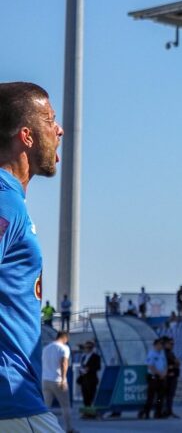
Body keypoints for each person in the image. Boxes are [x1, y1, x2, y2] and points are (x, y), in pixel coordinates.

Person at [0, 82, 66, 433]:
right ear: (26, 136)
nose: (60, 130)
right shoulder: (4, 200)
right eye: (50, 120)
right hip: (11, 404)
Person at [41, 332, 77, 433]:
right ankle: (69, 429)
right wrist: (63, 379)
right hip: (57, 380)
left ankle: (43, 428)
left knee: (45, 407)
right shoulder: (63, 348)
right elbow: (64, 363)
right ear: (65, 338)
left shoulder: (46, 348)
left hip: (45, 380)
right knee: (65, 406)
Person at [140, 338, 167, 419]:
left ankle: (158, 412)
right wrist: (159, 373)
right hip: (153, 377)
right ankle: (146, 412)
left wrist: (164, 373)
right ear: (156, 345)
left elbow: (165, 365)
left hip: (161, 377)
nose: (161, 346)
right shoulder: (151, 354)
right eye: (160, 344)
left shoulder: (162, 354)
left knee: (160, 396)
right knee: (151, 396)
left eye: (162, 344)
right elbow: (151, 366)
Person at [76, 340, 101, 408]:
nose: (87, 349)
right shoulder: (84, 357)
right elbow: (81, 366)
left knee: (91, 396)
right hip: (84, 379)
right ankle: (86, 412)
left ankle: (90, 412)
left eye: (88, 347)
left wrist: (89, 369)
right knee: (85, 397)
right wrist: (81, 370)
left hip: (91, 379)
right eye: (86, 347)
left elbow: (98, 367)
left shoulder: (96, 356)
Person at [163, 337, 181, 418]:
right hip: (168, 377)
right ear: (166, 344)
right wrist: (173, 365)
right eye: (171, 344)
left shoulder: (171, 353)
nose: (172, 345)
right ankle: (164, 410)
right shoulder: (164, 354)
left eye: (173, 344)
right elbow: (168, 365)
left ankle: (169, 410)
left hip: (173, 376)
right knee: (165, 395)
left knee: (170, 395)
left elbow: (177, 363)